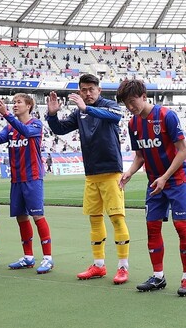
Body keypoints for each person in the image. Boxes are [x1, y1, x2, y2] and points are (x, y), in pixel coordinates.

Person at [46, 74, 131, 284]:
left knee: (116, 219)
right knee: (94, 219)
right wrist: (52, 115)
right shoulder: (79, 113)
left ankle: (123, 267)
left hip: (111, 171)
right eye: (83, 90)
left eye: (91, 89)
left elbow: (115, 117)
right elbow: (60, 129)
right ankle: (99, 265)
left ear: (99, 90)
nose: (87, 93)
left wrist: (86, 108)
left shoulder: (109, 105)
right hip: (91, 174)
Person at [117, 78, 186, 296]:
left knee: (181, 227)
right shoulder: (133, 124)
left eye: (133, 101)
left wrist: (165, 177)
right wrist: (129, 172)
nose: (130, 107)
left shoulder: (166, 116)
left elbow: (183, 150)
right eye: (126, 104)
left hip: (177, 179)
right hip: (154, 182)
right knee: (152, 227)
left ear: (144, 96)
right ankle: (158, 276)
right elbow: (140, 156)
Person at [0, 93, 54, 274]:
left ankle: (48, 258)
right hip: (16, 179)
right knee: (21, 218)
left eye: (19, 102)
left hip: (32, 177)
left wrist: (6, 114)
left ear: (29, 106)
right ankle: (28, 257)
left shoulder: (36, 124)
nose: (15, 105)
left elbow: (26, 132)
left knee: (38, 216)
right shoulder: (10, 128)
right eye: (14, 103)